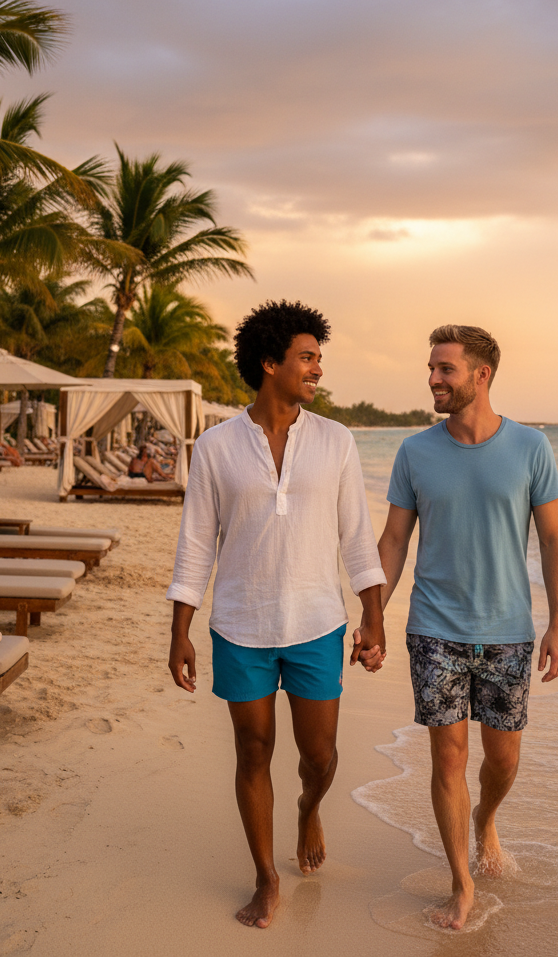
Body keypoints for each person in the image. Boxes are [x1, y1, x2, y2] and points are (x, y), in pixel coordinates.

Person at [166, 299, 387, 930]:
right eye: (307, 357)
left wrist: (372, 617)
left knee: (320, 756)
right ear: (270, 363)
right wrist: (180, 631)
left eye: (319, 358)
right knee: (253, 749)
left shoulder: (336, 440)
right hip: (241, 624)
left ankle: (308, 808)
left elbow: (356, 537)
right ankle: (265, 877)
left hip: (318, 621)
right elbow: (196, 544)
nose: (317, 369)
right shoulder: (216, 447)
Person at [377, 324, 558, 931]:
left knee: (503, 760)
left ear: (481, 376)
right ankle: (462, 883)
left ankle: (485, 819)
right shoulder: (415, 452)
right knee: (448, 757)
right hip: (434, 627)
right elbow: (394, 540)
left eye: (445, 369)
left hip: (508, 630)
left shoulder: (531, 446)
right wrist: (371, 615)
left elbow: (553, 539)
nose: (433, 379)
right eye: (431, 369)